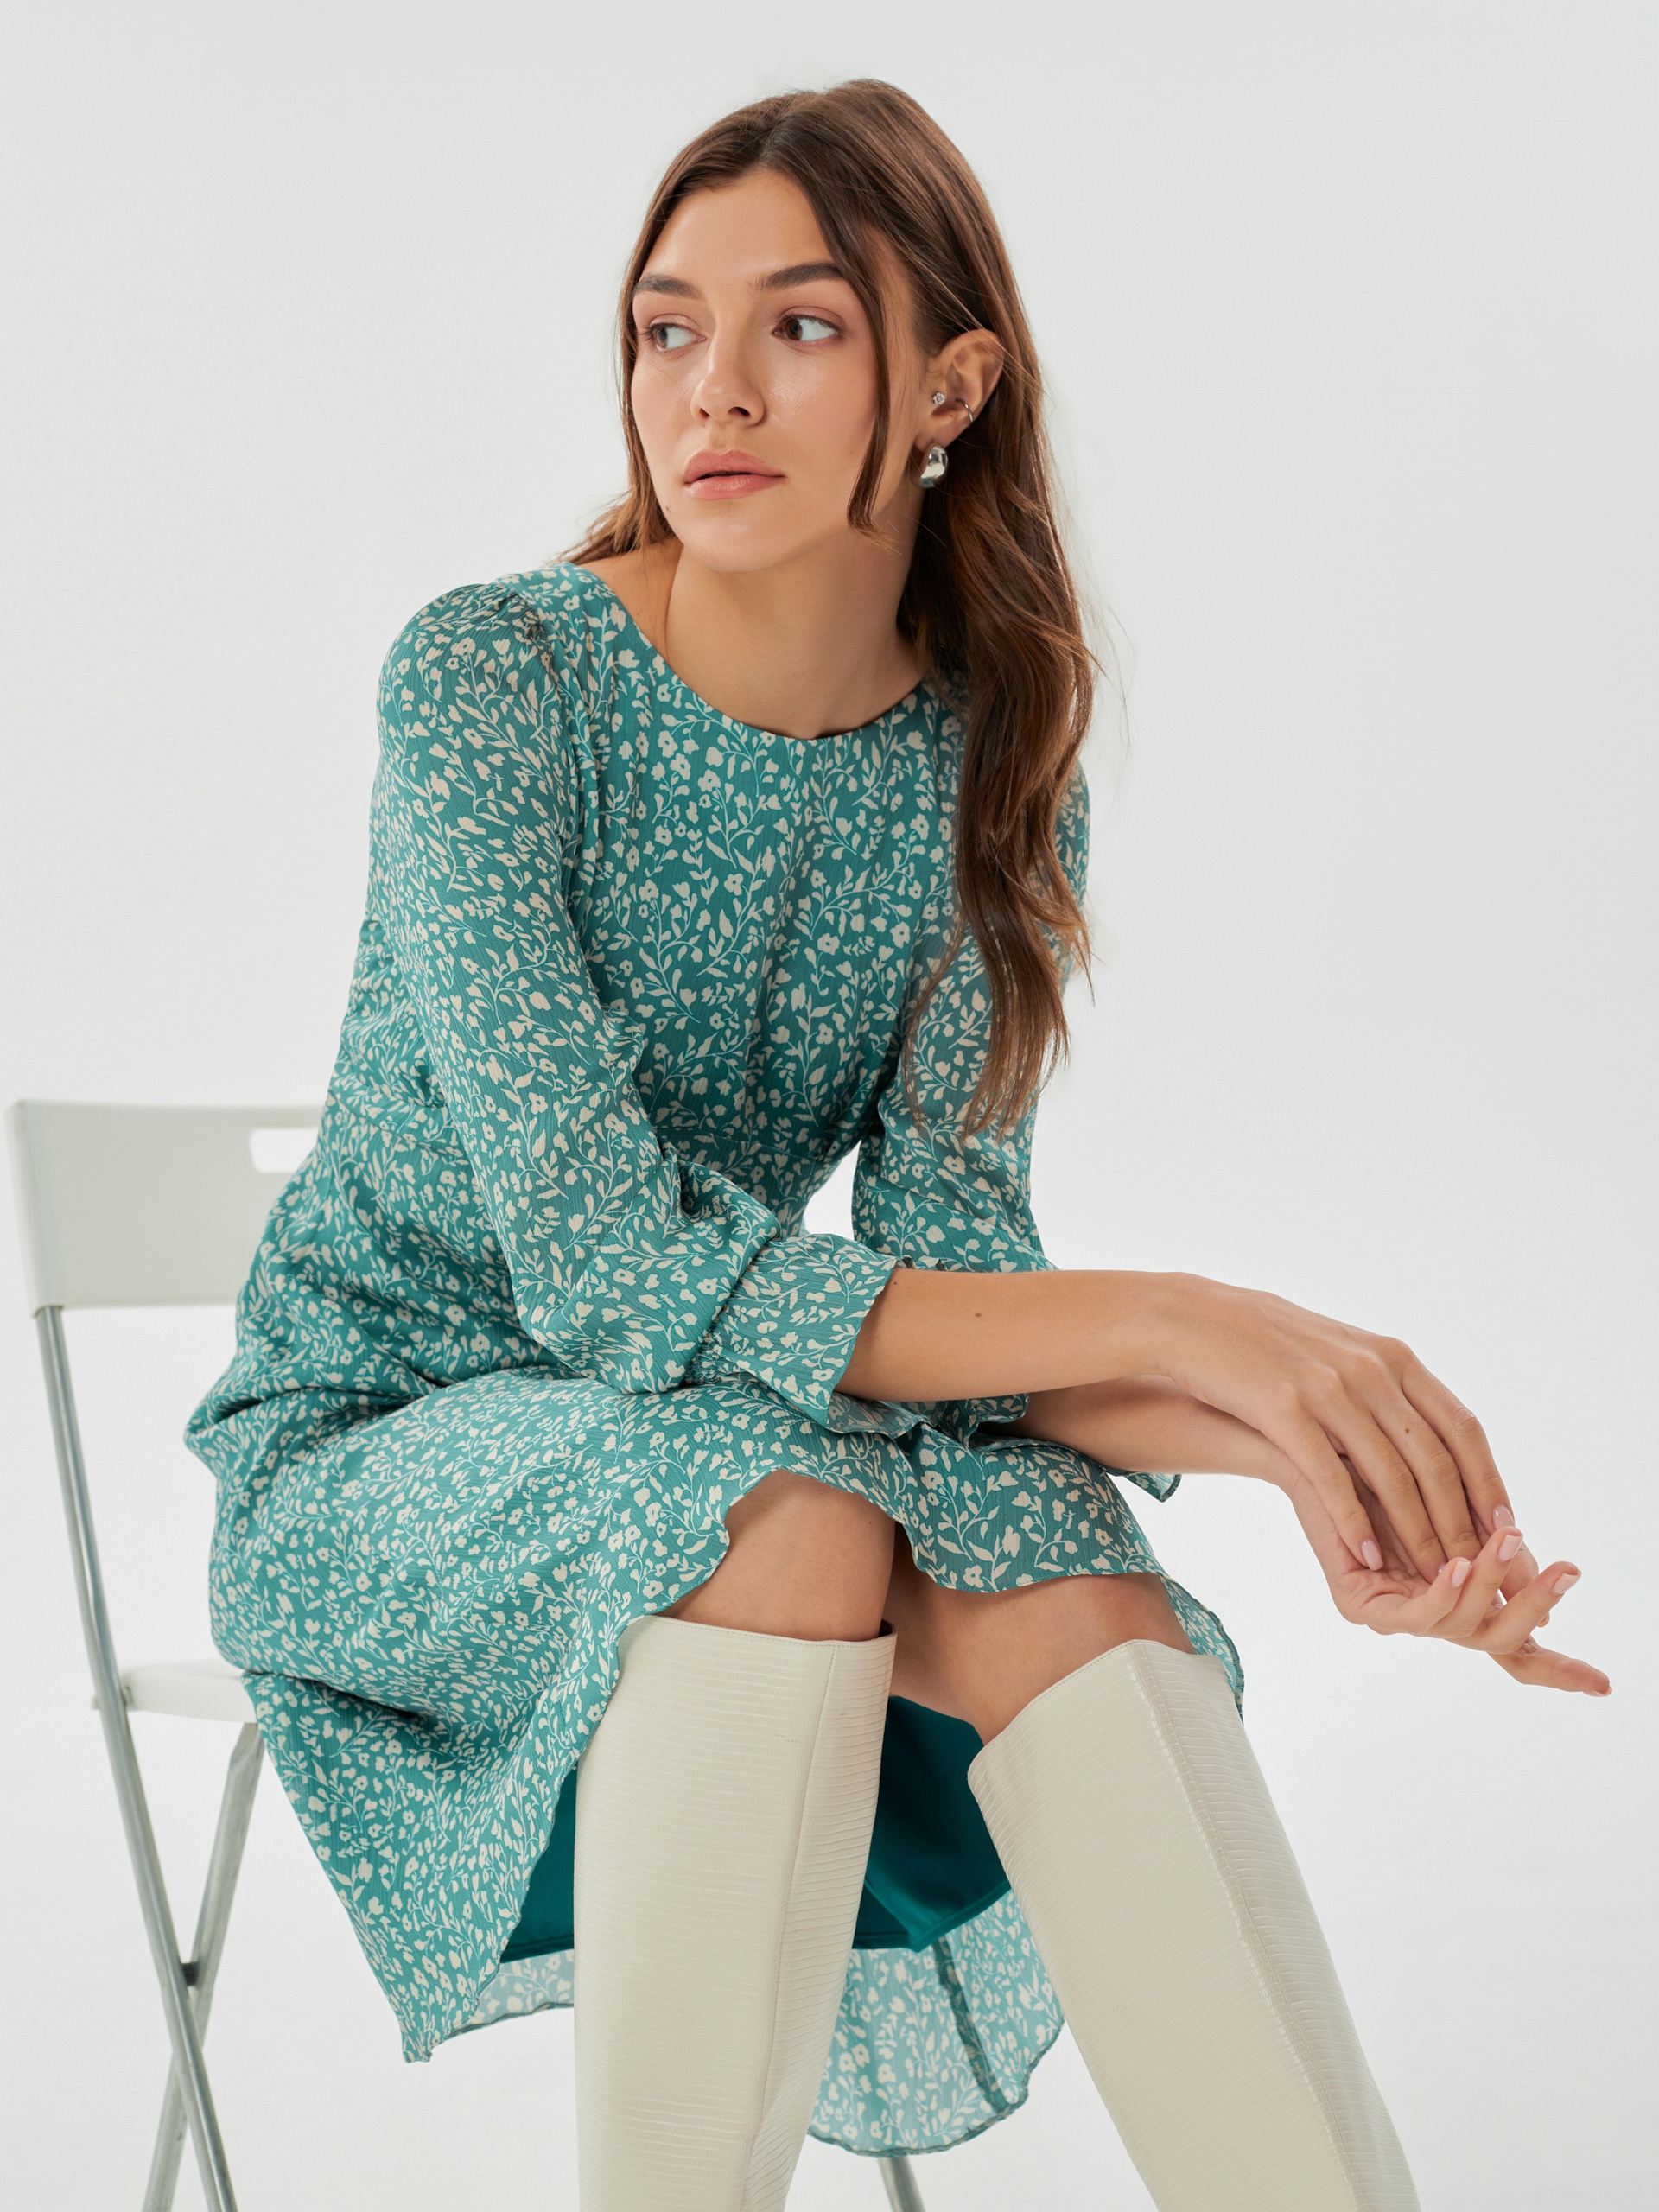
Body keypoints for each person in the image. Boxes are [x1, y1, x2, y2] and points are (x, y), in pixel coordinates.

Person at [188, 78, 1608, 2212]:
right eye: (668, 328)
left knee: (1061, 1563)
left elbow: (960, 1290)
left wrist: (1313, 1450)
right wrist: (1204, 1316)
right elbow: (609, 1272)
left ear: (950, 384)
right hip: (383, 1461)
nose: (713, 388)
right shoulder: (493, 683)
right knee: (793, 1518)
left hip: (736, 1421)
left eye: (801, 325)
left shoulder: (988, 772)